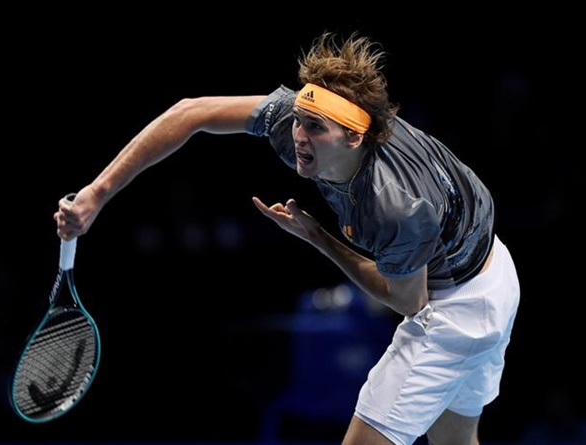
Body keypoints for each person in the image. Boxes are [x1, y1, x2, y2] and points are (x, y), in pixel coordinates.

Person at [53, 32, 520, 445]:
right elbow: (191, 113)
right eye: (299, 119)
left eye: (316, 128)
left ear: (354, 139)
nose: (299, 135)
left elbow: (409, 304)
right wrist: (98, 192)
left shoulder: (396, 206)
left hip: (455, 307)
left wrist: (318, 237)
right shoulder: (303, 121)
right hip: (495, 268)